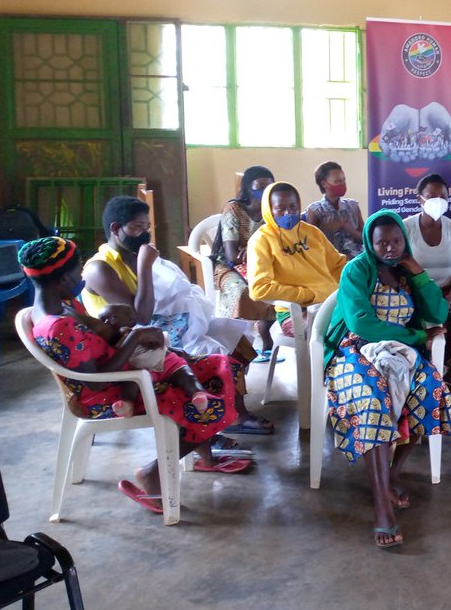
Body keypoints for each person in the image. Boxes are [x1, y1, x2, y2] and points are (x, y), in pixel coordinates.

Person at [22, 237, 249, 516]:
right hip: (112, 392)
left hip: (128, 373)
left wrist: (147, 343)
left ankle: (203, 455)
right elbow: (97, 379)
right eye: (76, 270)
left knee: (219, 365)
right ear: (60, 279)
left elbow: (103, 341)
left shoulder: (63, 304)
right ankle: (152, 472)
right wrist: (138, 337)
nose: (81, 274)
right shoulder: (57, 326)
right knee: (209, 392)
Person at [82, 195, 272, 436]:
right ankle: (216, 423)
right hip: (128, 346)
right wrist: (145, 266)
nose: (144, 233)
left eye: (147, 227)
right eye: (137, 227)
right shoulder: (99, 268)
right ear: (116, 228)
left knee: (237, 339)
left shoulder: (132, 255)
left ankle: (228, 410)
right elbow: (140, 316)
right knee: (210, 351)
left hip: (150, 328)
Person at [322, 210, 451, 548]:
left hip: (399, 353)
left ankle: (391, 472)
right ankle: (381, 505)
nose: (391, 248)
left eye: (397, 241)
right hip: (356, 351)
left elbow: (438, 314)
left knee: (431, 391)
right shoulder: (356, 270)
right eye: (383, 242)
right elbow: (361, 324)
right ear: (370, 242)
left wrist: (419, 273)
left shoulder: (407, 272)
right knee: (372, 401)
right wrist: (415, 337)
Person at [402, 174, 451, 396]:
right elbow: (399, 267)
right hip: (415, 290)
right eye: (431, 196)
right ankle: (421, 375)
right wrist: (429, 298)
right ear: (419, 200)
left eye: (443, 196)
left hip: (450, 289)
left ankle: (445, 377)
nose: (438, 200)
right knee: (414, 322)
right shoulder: (406, 228)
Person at [248, 181, 349, 337]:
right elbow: (258, 289)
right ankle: (319, 362)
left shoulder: (312, 232)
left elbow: (338, 264)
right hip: (294, 312)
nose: (288, 213)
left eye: (293, 207)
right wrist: (307, 295)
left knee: (365, 322)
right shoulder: (261, 240)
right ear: (270, 210)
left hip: (330, 303)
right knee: (331, 334)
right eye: (280, 209)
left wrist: (349, 287)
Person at [211, 165, 278, 361]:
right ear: (248, 188)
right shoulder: (234, 209)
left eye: (269, 187)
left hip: (261, 265)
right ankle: (240, 346)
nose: (265, 191)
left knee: (278, 288)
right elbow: (232, 255)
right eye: (260, 187)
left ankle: (266, 338)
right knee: (241, 291)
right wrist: (254, 251)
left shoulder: (272, 213)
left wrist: (250, 251)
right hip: (228, 267)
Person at [305, 161, 364, 257]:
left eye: (343, 180)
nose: (342, 184)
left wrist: (348, 227)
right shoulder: (315, 211)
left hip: (357, 260)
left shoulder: (353, 206)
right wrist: (326, 230)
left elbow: (365, 239)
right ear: (324, 184)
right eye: (337, 181)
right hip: (331, 262)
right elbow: (310, 245)